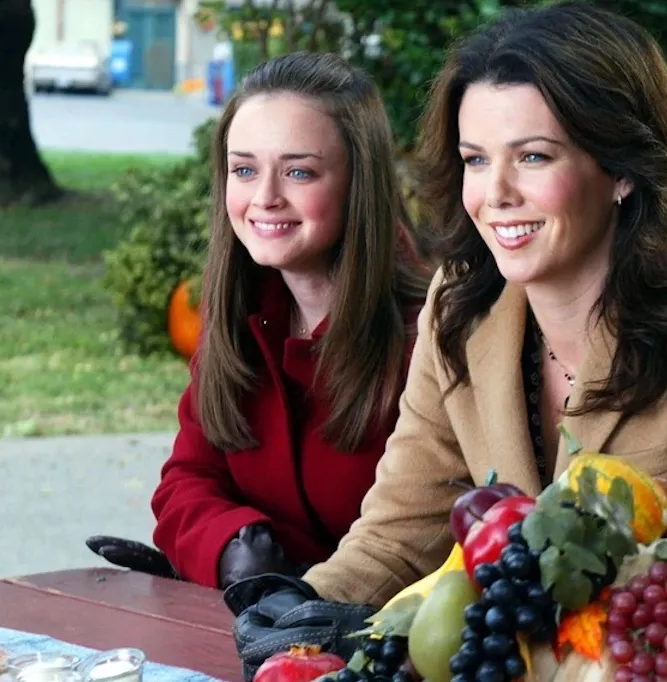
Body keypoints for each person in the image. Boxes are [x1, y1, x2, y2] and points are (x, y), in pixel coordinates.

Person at [228, 1, 667, 670]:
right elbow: (402, 529)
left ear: (623, 169)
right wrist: (304, 610)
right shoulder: (460, 306)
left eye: (533, 156)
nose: (495, 192)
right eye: (475, 160)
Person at [84, 51, 432, 592]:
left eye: (298, 171)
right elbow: (187, 481)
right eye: (244, 170)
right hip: (254, 636)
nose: (265, 198)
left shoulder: (429, 332)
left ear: (357, 183)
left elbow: (422, 537)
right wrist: (232, 547)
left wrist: (289, 583)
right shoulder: (241, 314)